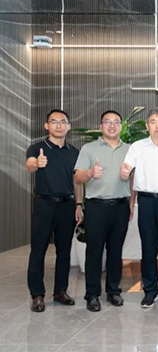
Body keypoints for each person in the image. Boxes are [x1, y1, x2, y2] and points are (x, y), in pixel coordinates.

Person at [121, 107, 158, 309]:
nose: (157, 125)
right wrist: (124, 172)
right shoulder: (137, 147)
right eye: (153, 122)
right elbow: (127, 171)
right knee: (148, 247)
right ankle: (150, 290)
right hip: (146, 202)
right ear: (147, 126)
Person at [74, 110, 134, 312]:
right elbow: (78, 177)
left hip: (120, 206)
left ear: (121, 126)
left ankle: (113, 291)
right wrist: (90, 173)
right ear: (101, 126)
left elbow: (133, 179)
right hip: (96, 206)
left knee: (116, 251)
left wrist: (131, 204)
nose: (112, 125)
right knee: (94, 251)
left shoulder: (130, 150)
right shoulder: (89, 148)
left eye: (116, 122)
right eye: (107, 122)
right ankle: (92, 294)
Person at [25, 109, 83, 313]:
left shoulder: (74, 152)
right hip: (44, 204)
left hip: (67, 205)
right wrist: (36, 163)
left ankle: (60, 291)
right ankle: (37, 294)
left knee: (64, 251)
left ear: (69, 126)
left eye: (63, 122)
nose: (59, 125)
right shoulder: (37, 148)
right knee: (38, 250)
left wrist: (78, 204)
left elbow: (77, 181)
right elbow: (30, 165)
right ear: (46, 125)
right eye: (54, 121)